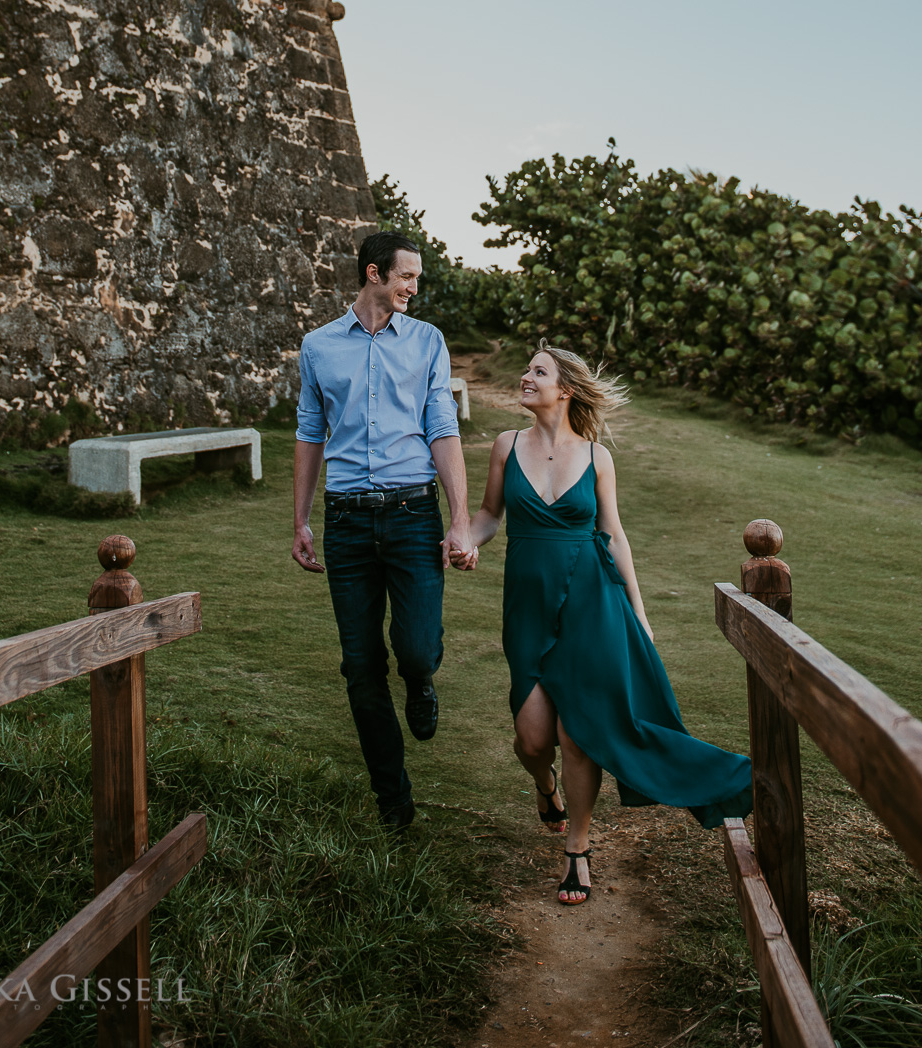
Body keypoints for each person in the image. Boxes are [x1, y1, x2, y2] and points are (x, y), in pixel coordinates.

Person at [458, 341, 752, 903]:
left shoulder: (596, 458)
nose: (525, 376)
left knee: (579, 733)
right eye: (527, 369)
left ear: (564, 388)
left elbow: (615, 535)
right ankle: (545, 788)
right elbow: (490, 515)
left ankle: (578, 849)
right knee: (532, 736)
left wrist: (638, 613)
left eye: (536, 371)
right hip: (528, 604)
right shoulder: (504, 446)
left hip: (594, 604)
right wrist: (465, 542)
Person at [292, 230, 473, 830]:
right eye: (407, 277)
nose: (414, 288)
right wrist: (300, 520)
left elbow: (442, 429)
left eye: (417, 278)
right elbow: (309, 434)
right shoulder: (317, 347)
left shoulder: (428, 343)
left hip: (412, 515)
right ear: (374, 274)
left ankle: (420, 680)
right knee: (360, 664)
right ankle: (393, 800)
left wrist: (459, 518)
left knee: (416, 647)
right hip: (345, 520)